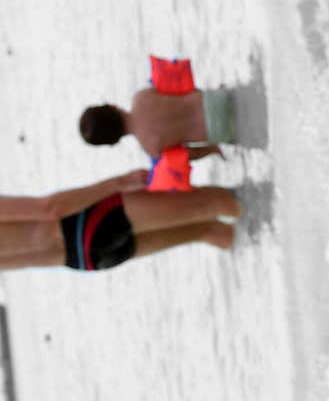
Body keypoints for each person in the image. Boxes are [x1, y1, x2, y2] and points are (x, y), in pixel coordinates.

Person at [0, 170, 240, 272]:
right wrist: (117, 183)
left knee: (210, 231)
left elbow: (34, 259)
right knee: (217, 201)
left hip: (88, 259)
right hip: (90, 221)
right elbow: (50, 209)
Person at [78, 87, 233, 160]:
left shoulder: (151, 148)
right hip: (215, 101)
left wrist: (213, 149)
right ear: (111, 106)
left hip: (218, 131)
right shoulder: (141, 97)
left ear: (113, 142)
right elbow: (183, 87)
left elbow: (190, 154)